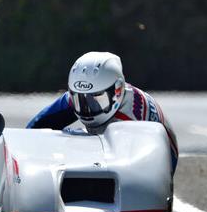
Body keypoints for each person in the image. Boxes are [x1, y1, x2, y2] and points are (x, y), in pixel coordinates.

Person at [26, 51, 178, 171]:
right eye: (80, 101)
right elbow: (35, 128)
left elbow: (125, 172)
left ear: (117, 91)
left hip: (154, 158)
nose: (86, 108)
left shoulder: (130, 119)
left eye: (96, 101)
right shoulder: (83, 92)